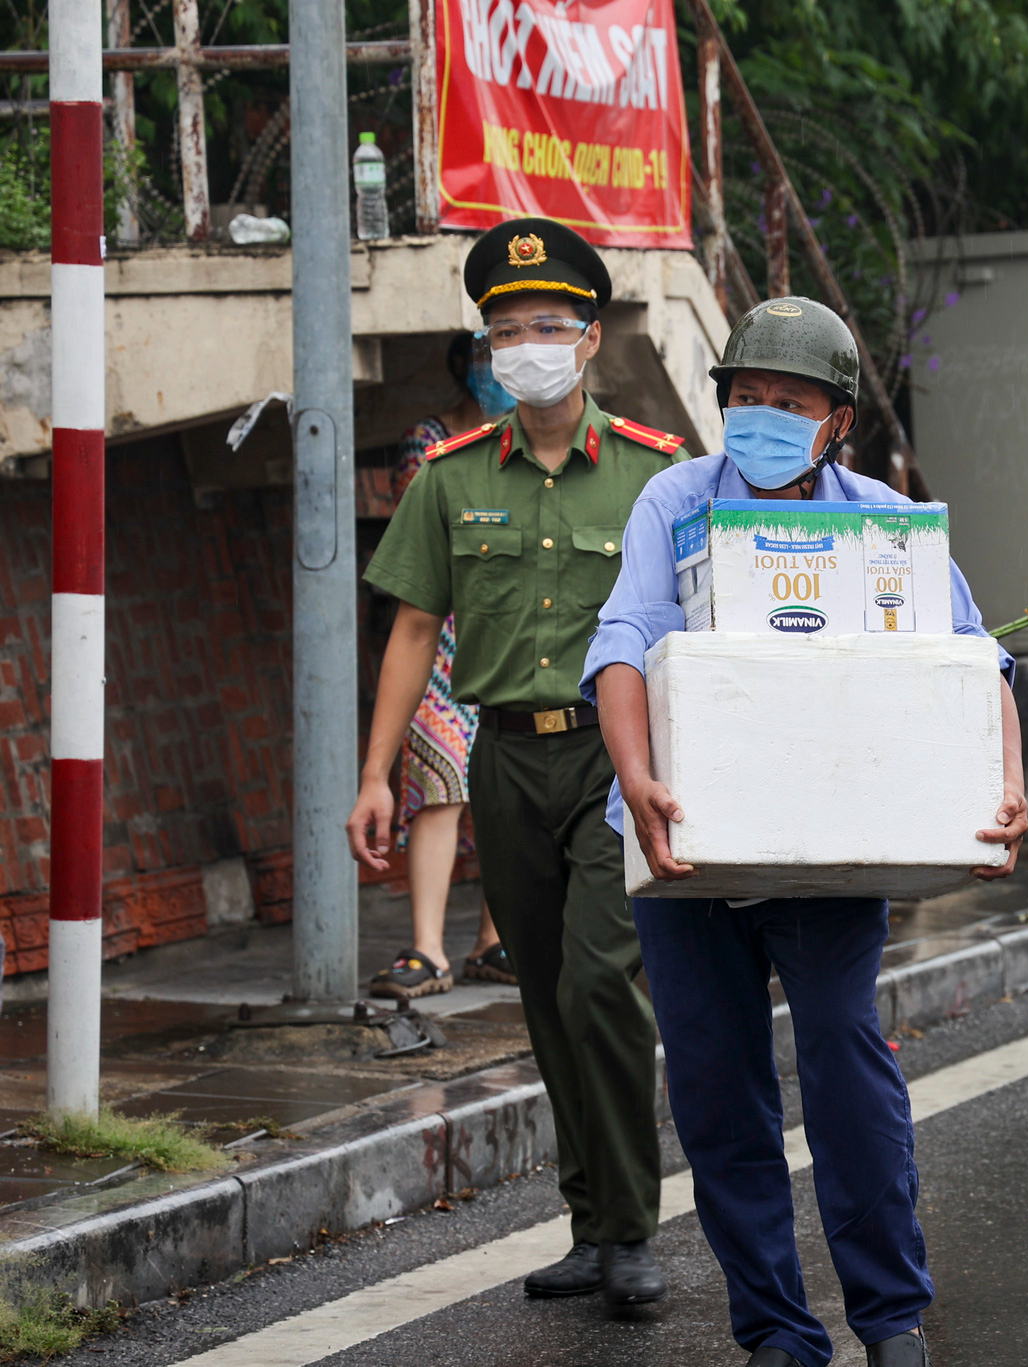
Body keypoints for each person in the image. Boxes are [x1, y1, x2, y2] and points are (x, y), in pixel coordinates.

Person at [585, 296, 1028, 1367]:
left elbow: (976, 660)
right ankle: (777, 1331)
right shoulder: (673, 499)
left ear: (836, 422)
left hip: (835, 837)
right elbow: (622, 646)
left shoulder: (883, 517)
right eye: (746, 397)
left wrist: (1005, 782)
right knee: (713, 1082)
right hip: (684, 842)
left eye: (791, 402)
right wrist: (636, 778)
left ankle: (889, 1318)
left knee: (842, 1059)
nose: (763, 416)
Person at [344, 217, 684, 1304]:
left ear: (588, 340)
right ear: (485, 348)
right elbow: (410, 629)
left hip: (611, 762)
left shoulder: (651, 473)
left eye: (548, 324)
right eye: (506, 329)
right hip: (503, 760)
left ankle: (632, 1228)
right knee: (542, 992)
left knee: (600, 981)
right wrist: (376, 774)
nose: (527, 343)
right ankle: (589, 1223)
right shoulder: (447, 479)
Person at [368, 332, 513, 1000]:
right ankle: (428, 946)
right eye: (485, 357)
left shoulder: (520, 441)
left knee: (500, 794)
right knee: (439, 781)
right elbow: (428, 547)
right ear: (464, 368)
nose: (496, 373)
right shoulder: (428, 443)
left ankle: (493, 939)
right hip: (445, 635)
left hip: (505, 634)